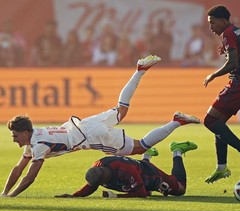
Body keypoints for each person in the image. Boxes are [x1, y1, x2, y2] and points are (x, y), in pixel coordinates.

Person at [1, 55, 200, 197]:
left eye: (16, 135)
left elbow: (29, 177)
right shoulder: (35, 138)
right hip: (85, 124)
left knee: (140, 147)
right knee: (121, 109)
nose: (14, 139)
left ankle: (176, 121)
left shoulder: (39, 146)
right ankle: (139, 70)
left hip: (91, 136)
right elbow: (19, 168)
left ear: (26, 132)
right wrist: (4, 192)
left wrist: (12, 196)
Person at [203, 6, 240, 183]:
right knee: (217, 122)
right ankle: (222, 167)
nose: (211, 27)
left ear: (222, 20)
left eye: (213, 23)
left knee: (209, 120)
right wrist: (238, 54)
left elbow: (233, 63)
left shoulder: (227, 33)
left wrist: (213, 74)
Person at [55, 141, 197, 198]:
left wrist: (115, 196)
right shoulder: (98, 169)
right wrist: (73, 196)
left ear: (104, 179)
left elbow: (141, 194)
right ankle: (147, 154)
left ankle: (177, 150)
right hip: (136, 169)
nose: (97, 186)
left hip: (148, 173)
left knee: (179, 190)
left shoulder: (125, 171)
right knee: (140, 187)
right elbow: (91, 186)